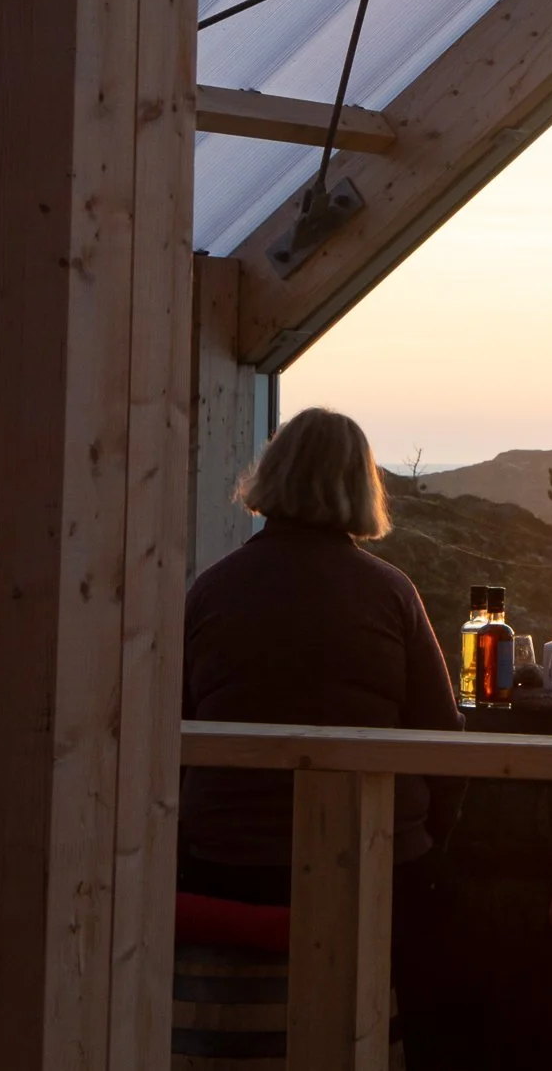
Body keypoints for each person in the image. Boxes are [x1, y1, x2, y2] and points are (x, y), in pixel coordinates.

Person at [180, 407, 465, 1067]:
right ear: (361, 487)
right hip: (373, 866)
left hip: (224, 863)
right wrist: (423, 839)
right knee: (452, 936)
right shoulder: (390, 592)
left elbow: (172, 723)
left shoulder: (212, 590)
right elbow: (444, 739)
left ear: (270, 477)